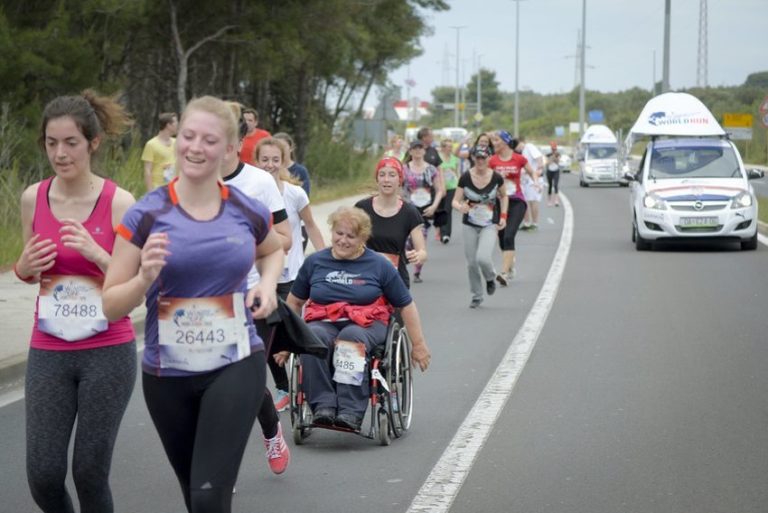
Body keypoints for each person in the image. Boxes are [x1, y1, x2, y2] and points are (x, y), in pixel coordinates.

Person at [102, 96, 285, 513]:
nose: (196, 147)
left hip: (236, 362)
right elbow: (111, 306)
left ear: (228, 148)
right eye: (188, 136)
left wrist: (269, 284)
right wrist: (143, 278)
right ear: (176, 139)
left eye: (209, 139)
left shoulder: (246, 209)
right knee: (194, 495)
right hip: (168, 375)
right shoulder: (146, 214)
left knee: (207, 495)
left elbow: (274, 250)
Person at [16, 90, 137, 513]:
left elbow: (133, 285)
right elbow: (29, 271)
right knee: (44, 476)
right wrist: (23, 265)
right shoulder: (34, 198)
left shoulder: (120, 204)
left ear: (93, 143)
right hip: (49, 348)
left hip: (106, 350)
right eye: (52, 143)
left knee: (88, 472)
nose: (60, 153)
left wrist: (96, 254)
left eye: (70, 143)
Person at [282, 206, 431, 431]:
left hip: (368, 323)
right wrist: (285, 340)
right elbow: (293, 302)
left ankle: (350, 410)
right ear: (331, 232)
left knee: (350, 337)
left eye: (351, 236)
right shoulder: (315, 262)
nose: (343, 240)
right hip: (324, 321)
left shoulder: (379, 264)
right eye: (339, 234)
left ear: (363, 238)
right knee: (312, 337)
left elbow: (406, 305)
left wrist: (418, 345)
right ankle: (323, 405)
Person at [220, 103, 292, 474]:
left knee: (244, 381)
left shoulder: (259, 183)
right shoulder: (182, 184)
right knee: (212, 386)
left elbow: (284, 238)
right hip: (202, 303)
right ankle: (216, 468)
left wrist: (239, 247)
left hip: (253, 296)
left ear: (235, 142)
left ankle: (270, 432)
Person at [254, 137, 325, 417]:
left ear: (284, 161)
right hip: (262, 277)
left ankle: (306, 387)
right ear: (256, 161)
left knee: (301, 335)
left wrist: (325, 259)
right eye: (265, 159)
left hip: (293, 276)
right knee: (270, 339)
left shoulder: (295, 194)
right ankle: (283, 388)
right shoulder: (249, 192)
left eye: (275, 160)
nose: (270, 165)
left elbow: (312, 226)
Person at [355, 157, 426, 288]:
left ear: (400, 180)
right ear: (377, 179)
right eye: (382, 175)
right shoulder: (361, 208)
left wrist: (418, 255)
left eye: (392, 175)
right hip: (364, 276)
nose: (386, 179)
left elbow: (422, 251)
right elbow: (349, 238)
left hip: (395, 279)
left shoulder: (409, 212)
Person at [452, 145, 508, 308]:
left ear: (489, 158)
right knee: (471, 263)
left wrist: (503, 216)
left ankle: (490, 278)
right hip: (469, 224)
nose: (480, 160)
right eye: (477, 157)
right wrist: (459, 207)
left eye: (484, 157)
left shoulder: (497, 177)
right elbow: (455, 200)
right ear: (473, 158)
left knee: (482, 258)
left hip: (489, 224)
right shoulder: (465, 177)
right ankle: (477, 295)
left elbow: (504, 196)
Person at [489, 131, 535, 284]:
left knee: (509, 235)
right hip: (499, 202)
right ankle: (511, 265)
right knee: (502, 238)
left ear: (505, 142)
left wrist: (535, 181)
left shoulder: (519, 158)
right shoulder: (492, 161)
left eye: (496, 140)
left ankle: (504, 273)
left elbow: (531, 171)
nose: (494, 143)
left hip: (517, 202)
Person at [402, 139, 445, 283]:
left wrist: (434, 206)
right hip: (408, 209)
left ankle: (417, 272)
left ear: (424, 151)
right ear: (410, 151)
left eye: (420, 148)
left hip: (425, 211)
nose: (418, 151)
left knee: (421, 240)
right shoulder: (404, 169)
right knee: (406, 242)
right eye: (415, 148)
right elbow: (398, 189)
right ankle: (401, 263)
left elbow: (439, 190)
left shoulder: (431, 169)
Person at [141, 111, 178, 191]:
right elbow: (147, 170)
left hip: (174, 188)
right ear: (168, 125)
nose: (177, 125)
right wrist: (150, 192)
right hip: (158, 188)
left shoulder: (176, 142)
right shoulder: (151, 144)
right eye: (175, 123)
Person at [273, 132, 311, 196]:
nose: (280, 150)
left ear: (291, 148)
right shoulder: (270, 170)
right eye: (277, 147)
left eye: (283, 147)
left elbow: (305, 196)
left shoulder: (301, 171)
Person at [437, 138, 460, 243]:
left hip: (452, 187)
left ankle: (446, 234)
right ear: (443, 148)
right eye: (448, 146)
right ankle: (440, 230)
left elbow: (457, 173)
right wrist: (440, 186)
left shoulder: (454, 159)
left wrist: (460, 187)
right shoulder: (438, 159)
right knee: (440, 209)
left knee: (448, 209)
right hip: (441, 188)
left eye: (451, 147)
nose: (450, 149)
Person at [519, 134, 544, 230]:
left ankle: (535, 223)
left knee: (533, 201)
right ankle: (527, 223)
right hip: (524, 178)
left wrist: (539, 169)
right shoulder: (521, 152)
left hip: (533, 178)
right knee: (524, 201)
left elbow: (539, 157)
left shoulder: (529, 146)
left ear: (522, 142)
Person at [545, 142, 561, 207]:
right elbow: (547, 163)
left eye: (555, 149)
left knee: (556, 185)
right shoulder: (548, 155)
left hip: (556, 171)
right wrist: (551, 159)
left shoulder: (558, 154)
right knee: (550, 185)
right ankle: (549, 201)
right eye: (553, 149)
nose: (554, 150)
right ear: (551, 149)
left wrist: (555, 158)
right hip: (549, 171)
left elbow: (558, 162)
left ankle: (556, 201)